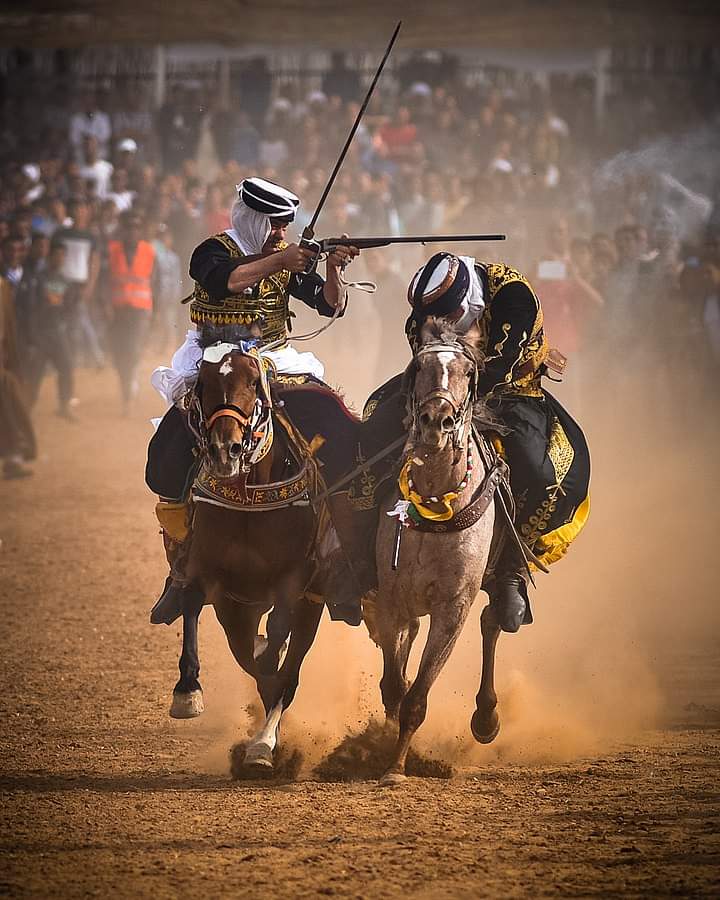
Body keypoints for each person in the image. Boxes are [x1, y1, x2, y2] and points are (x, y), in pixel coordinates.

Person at [330, 252, 591, 634]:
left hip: (510, 391)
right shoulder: (424, 311)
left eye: (451, 317)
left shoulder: (513, 295)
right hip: (438, 387)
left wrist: (457, 396)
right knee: (371, 430)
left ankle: (511, 571)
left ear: (467, 298)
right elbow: (421, 356)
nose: (442, 324)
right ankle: (360, 560)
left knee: (542, 472)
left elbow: (501, 365)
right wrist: (435, 394)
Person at [147, 177, 359, 625]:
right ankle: (181, 570)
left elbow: (329, 305)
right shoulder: (212, 251)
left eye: (284, 227)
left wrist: (333, 269)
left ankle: (339, 560)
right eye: (275, 225)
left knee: (340, 430)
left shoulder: (284, 256)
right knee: (168, 450)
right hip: (213, 361)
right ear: (253, 219)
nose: (281, 233)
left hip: (273, 360)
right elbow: (226, 280)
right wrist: (283, 258)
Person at [107, 212, 155, 413]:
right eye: (129, 227)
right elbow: (104, 279)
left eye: (136, 227)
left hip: (140, 309)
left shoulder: (148, 251)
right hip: (117, 309)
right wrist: (104, 305)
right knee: (119, 352)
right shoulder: (112, 250)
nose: (132, 231)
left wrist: (157, 312)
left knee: (133, 349)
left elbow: (155, 282)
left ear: (140, 230)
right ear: (123, 229)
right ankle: (126, 382)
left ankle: (129, 387)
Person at [29, 242, 76, 420]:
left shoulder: (65, 281)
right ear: (50, 257)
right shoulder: (38, 278)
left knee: (67, 368)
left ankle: (64, 406)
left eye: (62, 255)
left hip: (58, 331)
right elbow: (31, 306)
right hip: (41, 333)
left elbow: (70, 307)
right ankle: (28, 408)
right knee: (35, 373)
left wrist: (66, 325)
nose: (59, 259)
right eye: (56, 255)